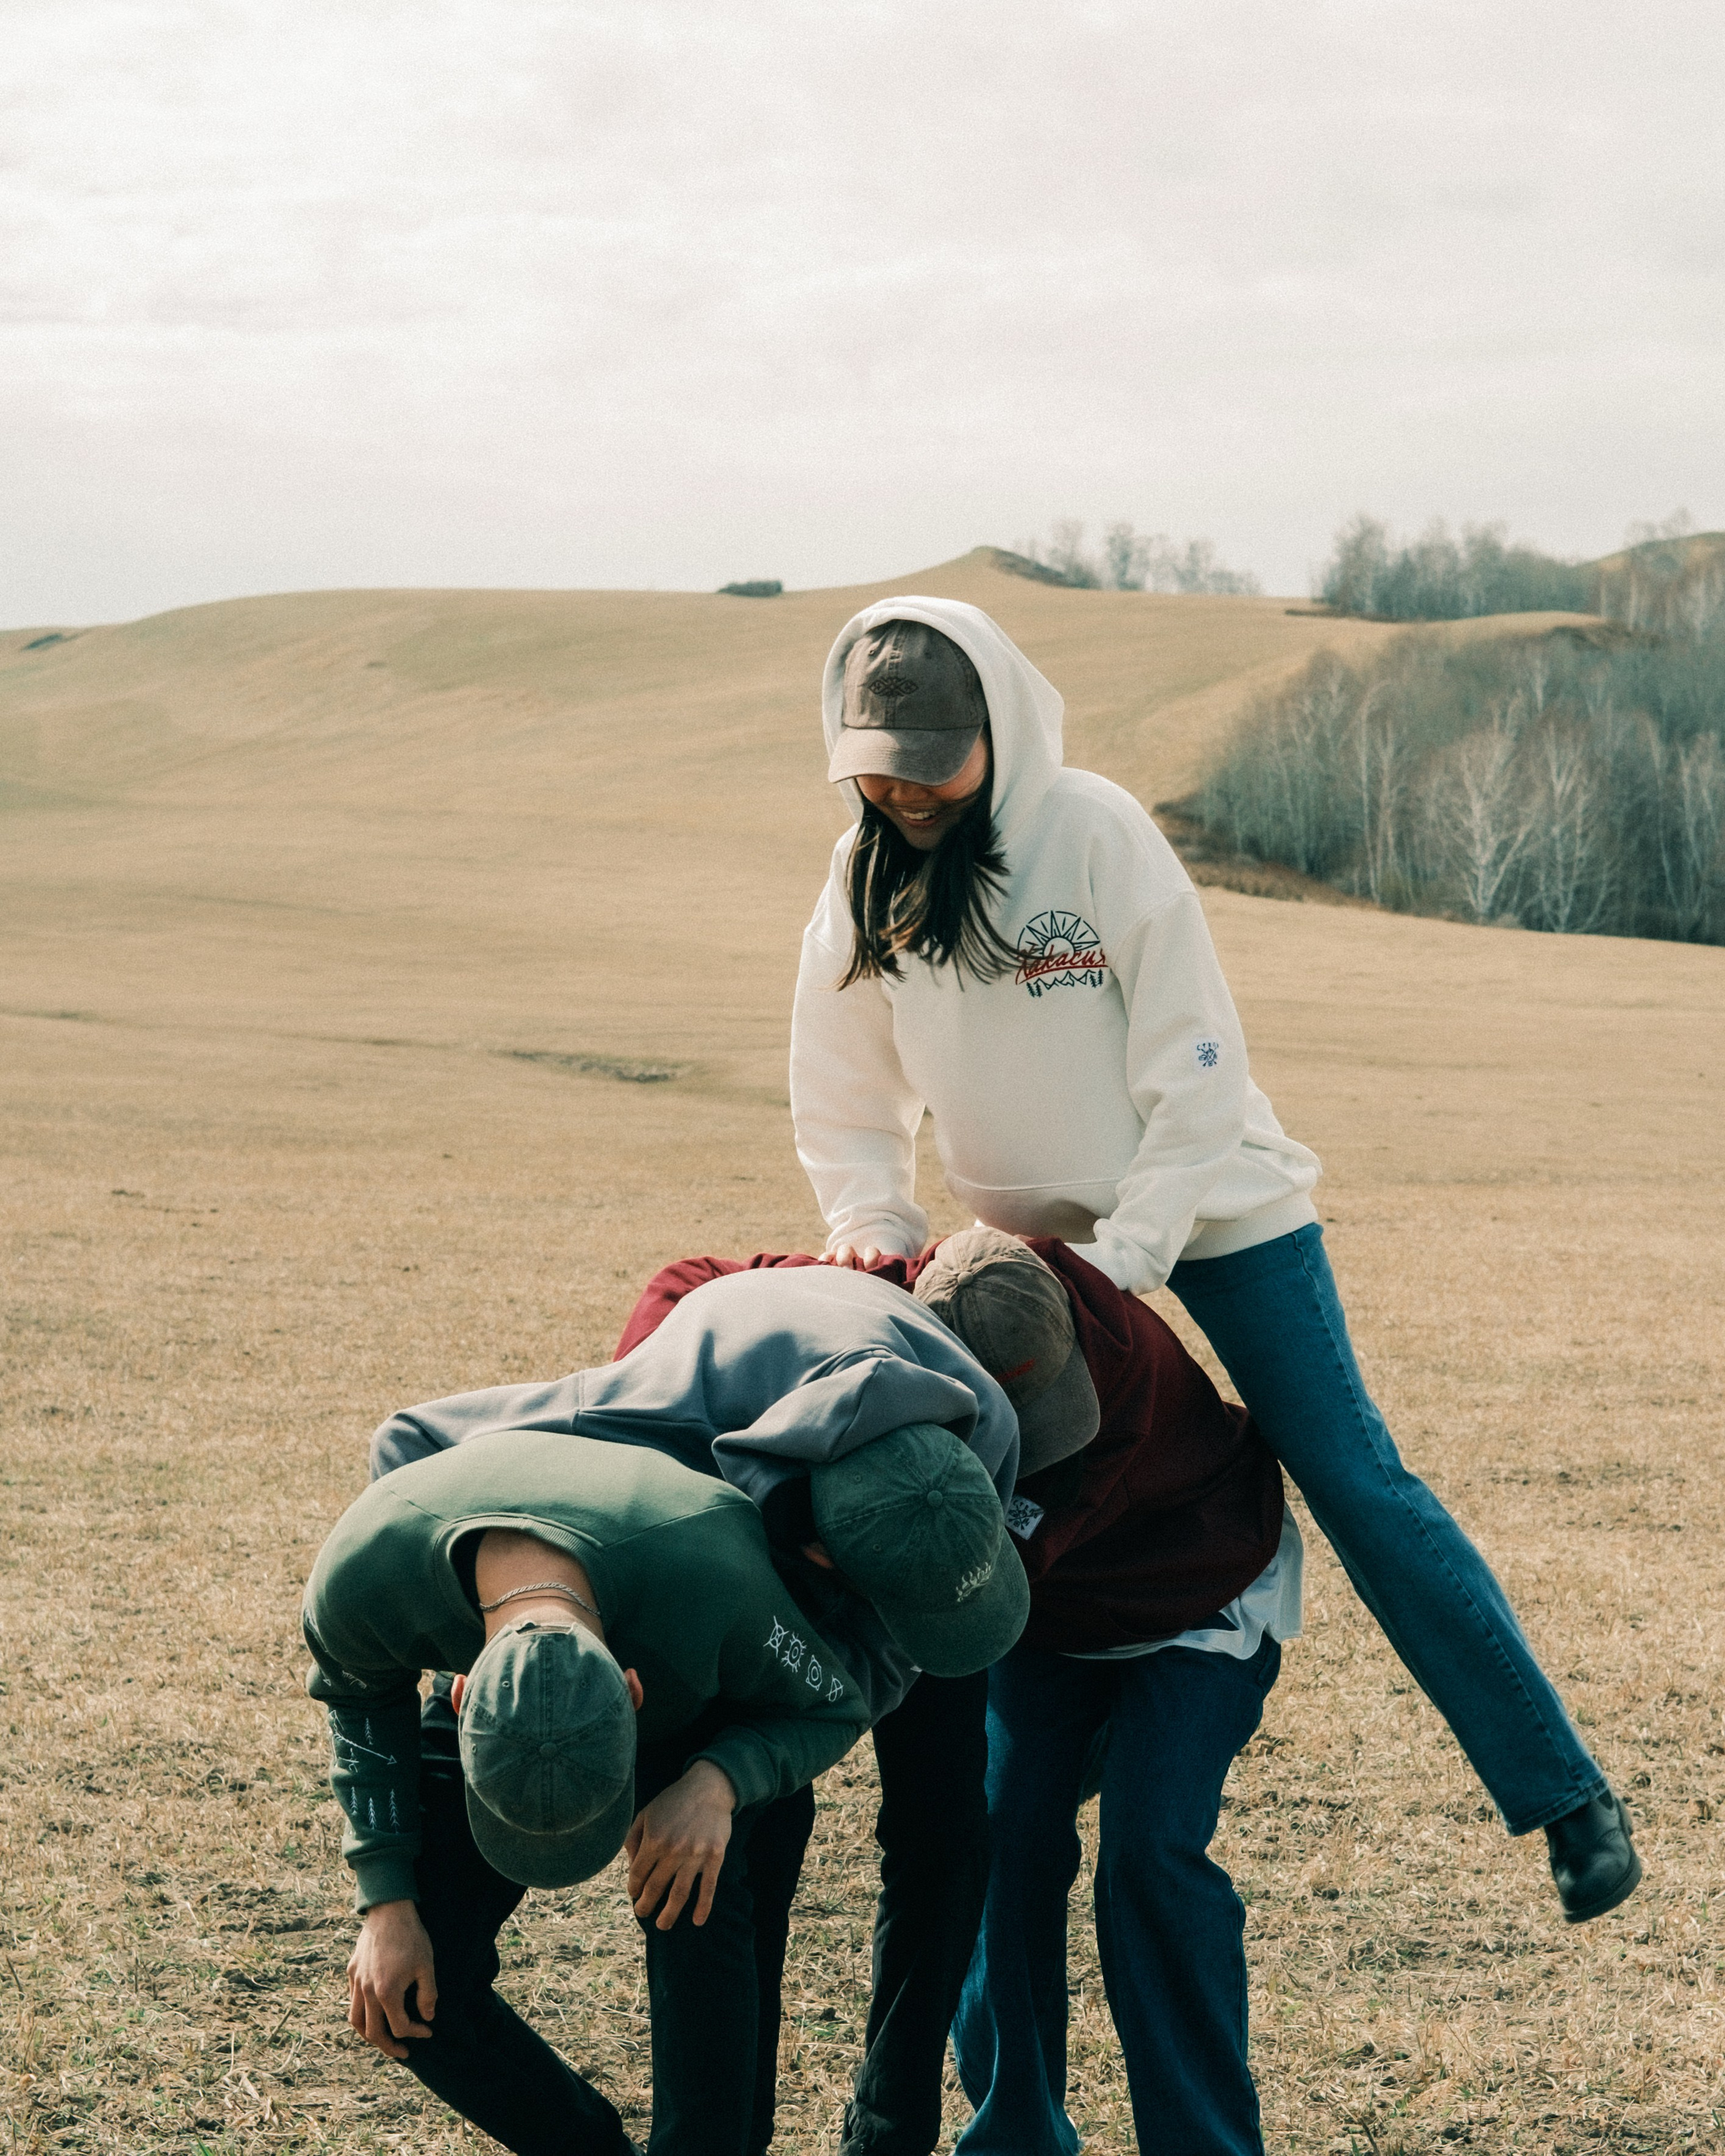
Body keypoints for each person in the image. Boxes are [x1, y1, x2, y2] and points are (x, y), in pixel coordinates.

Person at [788, 600, 1640, 1924]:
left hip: (1209, 1209)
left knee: (1354, 1479)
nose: (902, 786)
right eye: (876, 760)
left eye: (932, 757)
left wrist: (1134, 1251)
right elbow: (843, 1093)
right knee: (1027, 1502)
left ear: (998, 730)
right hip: (1028, 1252)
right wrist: (875, 1224)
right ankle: (1055, 1769)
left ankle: (1561, 1792)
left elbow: (1194, 1063)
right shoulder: (863, 874)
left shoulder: (1092, 832)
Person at [617, 1233, 1290, 2156]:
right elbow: (684, 1279)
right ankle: (983, 2133)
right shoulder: (882, 1294)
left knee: (1055, 1844)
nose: (1017, 1439)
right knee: (959, 1829)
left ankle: (931, 2133)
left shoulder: (1110, 1396)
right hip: (910, 1552)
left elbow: (969, 1596)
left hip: (1129, 1586)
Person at [373, 1262, 1051, 2156]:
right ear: (810, 1557)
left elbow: (865, 1682)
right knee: (699, 1851)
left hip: (917, 1525)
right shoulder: (653, 1432)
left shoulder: (980, 1429)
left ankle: (886, 2138)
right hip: (715, 1516)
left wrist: (729, 1777)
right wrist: (489, 1646)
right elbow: (409, 1448)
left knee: (944, 1832)